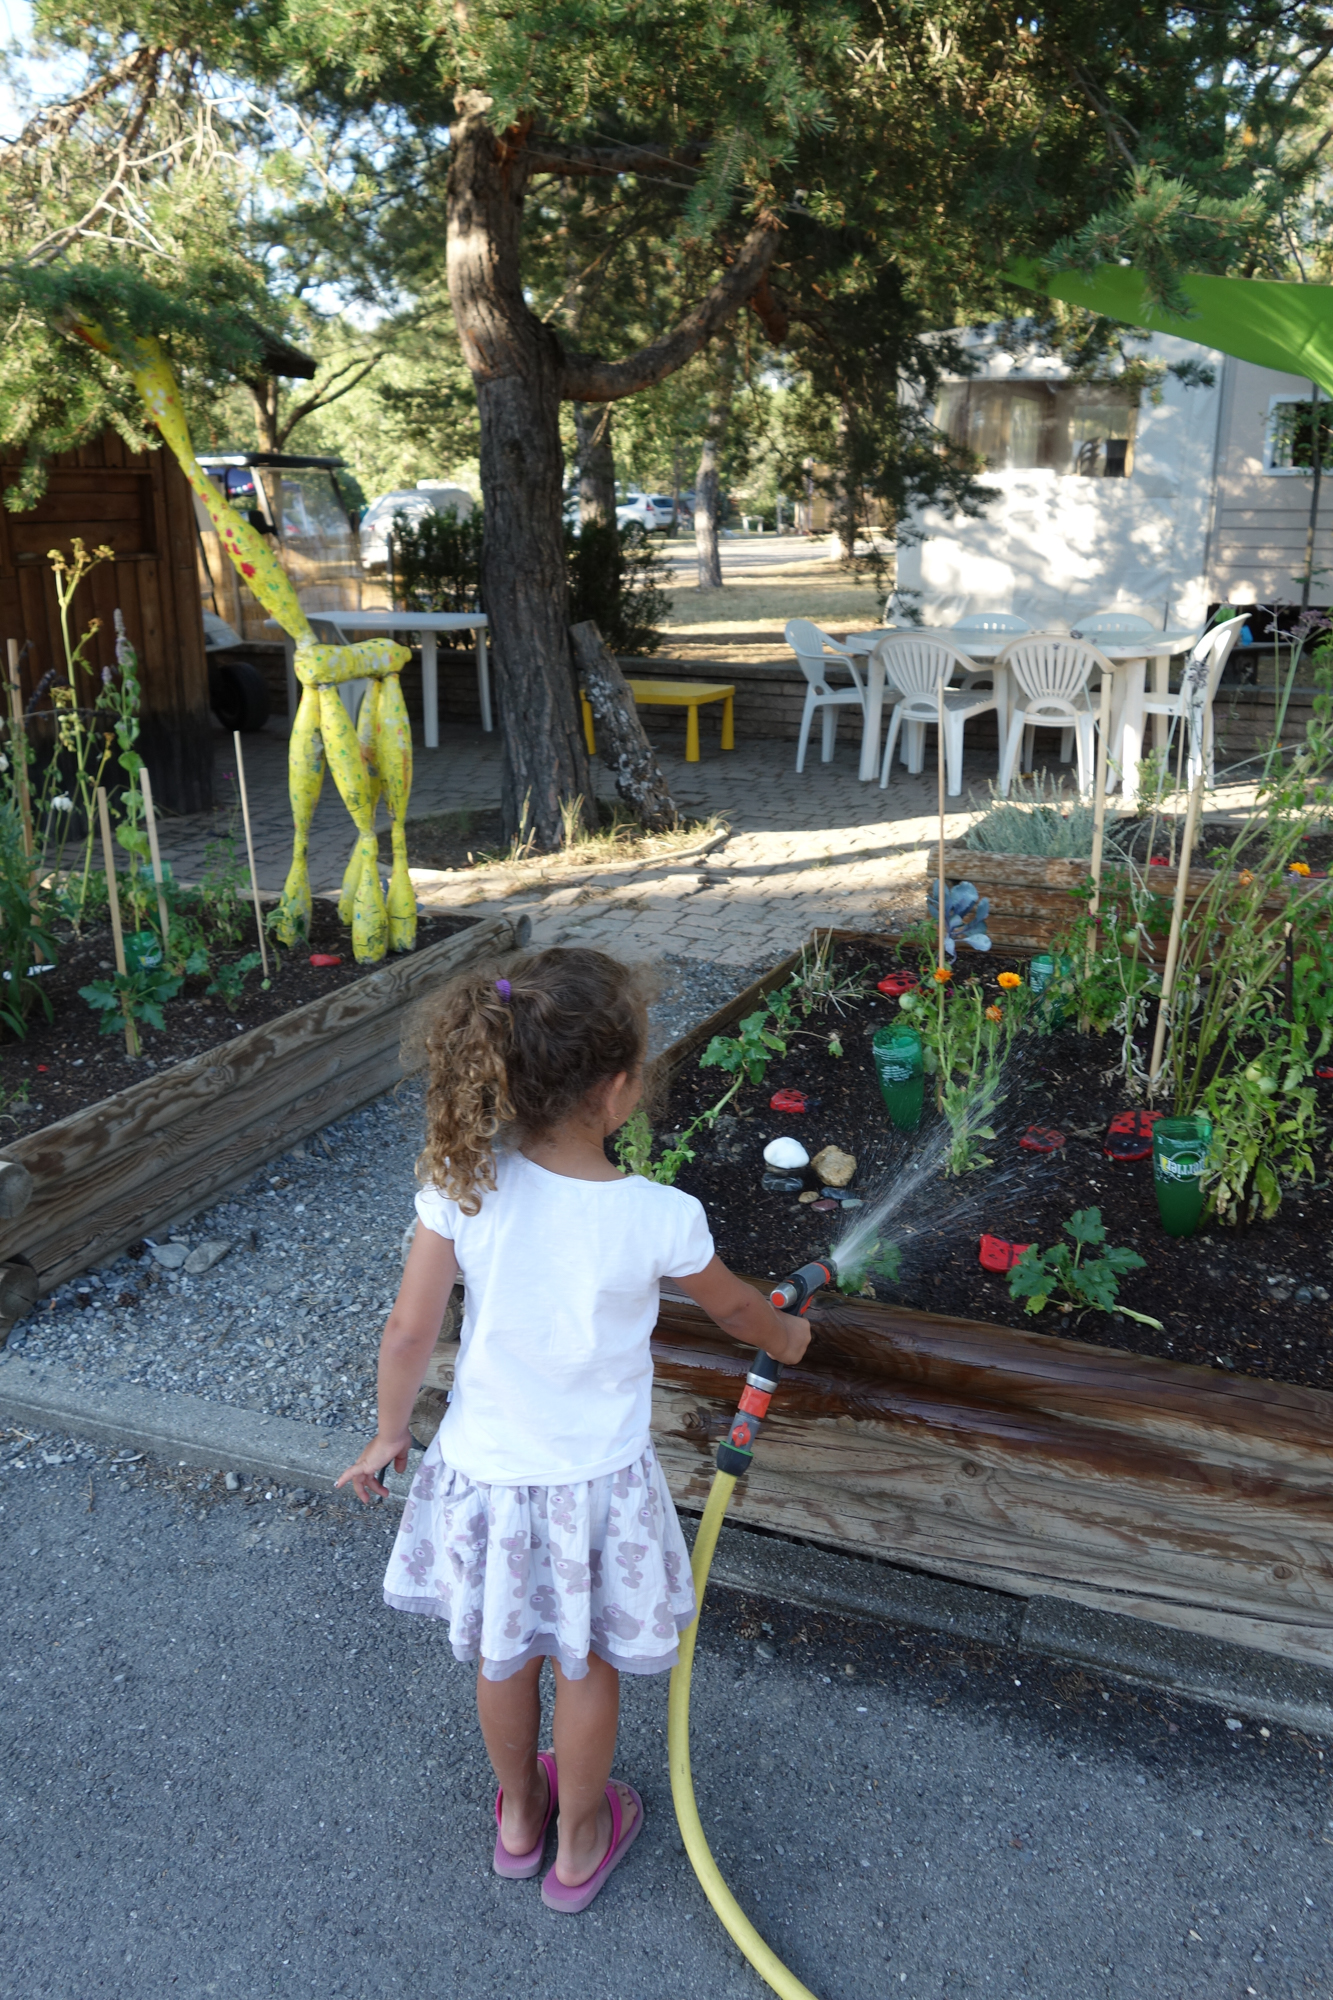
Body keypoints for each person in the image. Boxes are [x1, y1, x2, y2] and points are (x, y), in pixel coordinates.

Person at [338, 947, 809, 1913]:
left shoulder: (461, 1185)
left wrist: (391, 1434)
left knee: (504, 1655)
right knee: (584, 1661)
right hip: (596, 1485)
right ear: (620, 1087)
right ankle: (581, 1836)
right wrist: (789, 1334)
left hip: (485, 1477)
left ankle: (518, 1816)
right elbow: (737, 1315)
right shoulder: (657, 1215)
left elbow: (408, 1331)